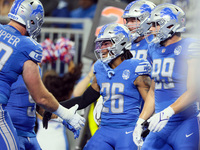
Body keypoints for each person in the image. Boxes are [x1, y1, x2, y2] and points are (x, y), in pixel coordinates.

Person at [43, 23, 152, 150]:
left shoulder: (136, 68)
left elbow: (152, 99)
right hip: (105, 129)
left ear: (121, 43)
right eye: (101, 44)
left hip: (128, 129)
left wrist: (146, 124)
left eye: (106, 43)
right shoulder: (100, 68)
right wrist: (55, 108)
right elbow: (84, 99)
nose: (101, 48)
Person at [0, 0, 85, 149]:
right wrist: (66, 115)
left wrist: (58, 117)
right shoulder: (26, 48)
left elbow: (38, 102)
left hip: (29, 132)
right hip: (12, 127)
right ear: (32, 20)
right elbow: (41, 97)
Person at [133, 3, 200, 150]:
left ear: (171, 25)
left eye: (156, 24)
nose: (151, 29)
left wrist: (167, 112)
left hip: (184, 123)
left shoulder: (190, 46)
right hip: (160, 125)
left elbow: (194, 90)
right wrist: (140, 121)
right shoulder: (154, 49)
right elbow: (153, 91)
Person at [4, 66, 42, 150]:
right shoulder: (5, 67)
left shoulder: (36, 69)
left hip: (30, 134)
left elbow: (40, 101)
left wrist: (61, 116)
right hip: (11, 133)